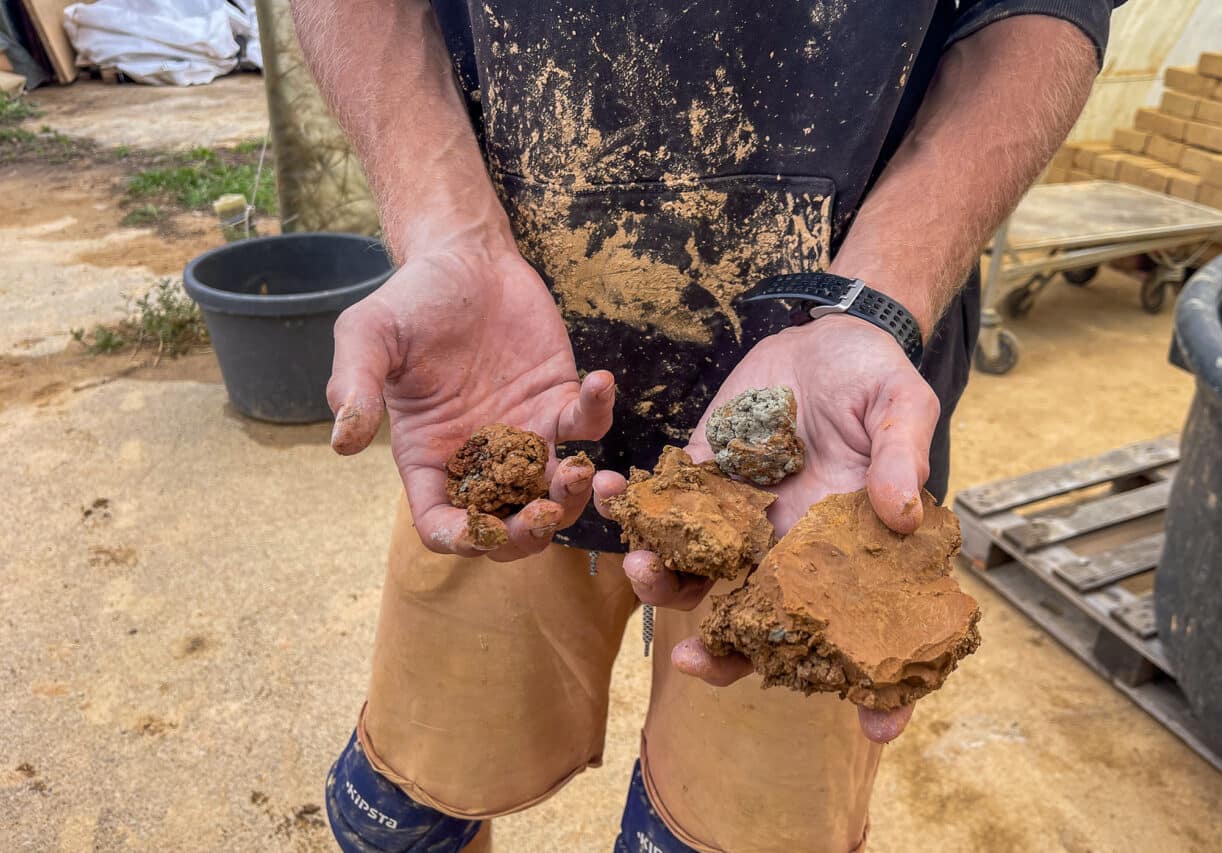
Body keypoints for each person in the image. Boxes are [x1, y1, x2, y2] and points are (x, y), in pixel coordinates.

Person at [294, 1, 1122, 850]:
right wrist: (445, 229)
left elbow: (1039, 14)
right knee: (406, 811)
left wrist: (873, 303)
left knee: (724, 828)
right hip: (507, 392)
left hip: (821, 474)